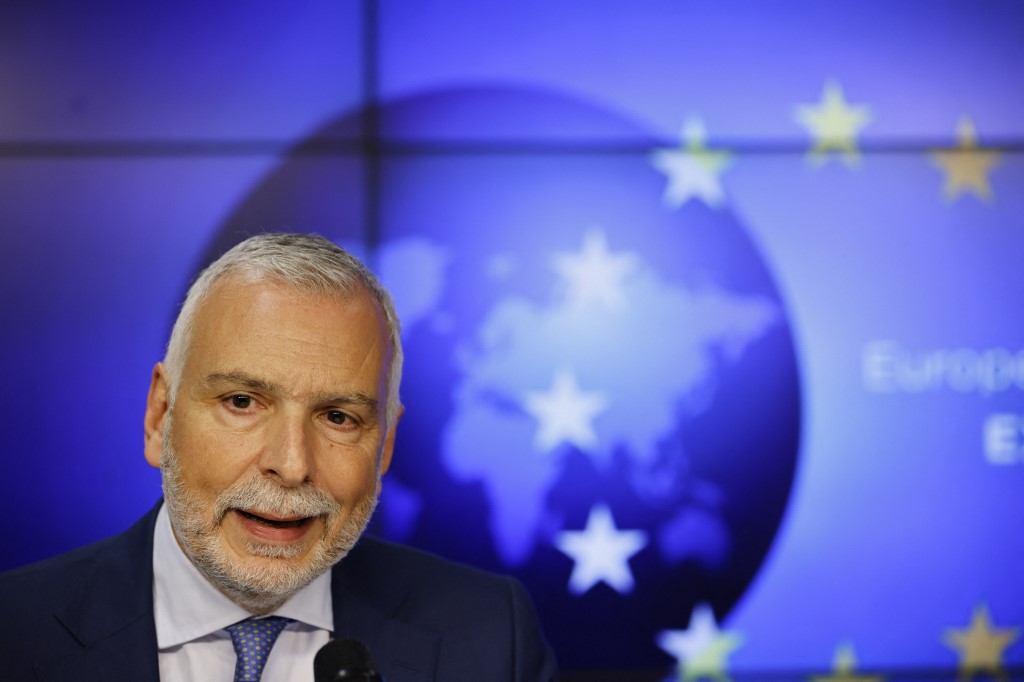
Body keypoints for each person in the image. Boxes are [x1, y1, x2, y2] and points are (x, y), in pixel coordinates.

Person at [0, 233, 558, 681]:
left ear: (384, 446)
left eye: (339, 417)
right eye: (242, 402)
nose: (291, 466)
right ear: (159, 417)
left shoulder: (490, 639)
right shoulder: (15, 630)